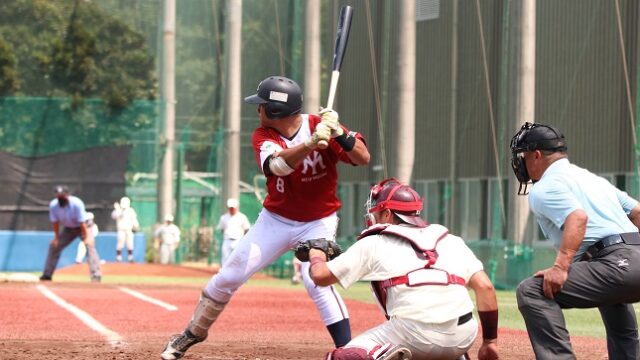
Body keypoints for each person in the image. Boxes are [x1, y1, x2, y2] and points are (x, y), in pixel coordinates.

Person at [161, 75, 370, 360]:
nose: (256, 110)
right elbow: (277, 167)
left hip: (318, 221)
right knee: (228, 276)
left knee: (316, 280)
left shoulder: (322, 125)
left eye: (261, 105)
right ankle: (193, 332)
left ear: (274, 111)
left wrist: (338, 135)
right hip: (276, 220)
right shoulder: (264, 135)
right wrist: (311, 143)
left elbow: (362, 158)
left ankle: (347, 351)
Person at [302, 178, 500, 360]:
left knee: (343, 357)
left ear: (387, 214)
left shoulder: (374, 243)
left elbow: (320, 276)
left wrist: (317, 252)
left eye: (377, 212)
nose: (373, 216)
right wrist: (490, 342)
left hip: (414, 336)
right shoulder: (451, 240)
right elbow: (486, 288)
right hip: (463, 336)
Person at [510, 122, 640, 360]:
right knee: (612, 297)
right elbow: (638, 212)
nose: (520, 162)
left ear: (536, 155)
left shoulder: (544, 187)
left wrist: (560, 267)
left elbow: (577, 218)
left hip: (614, 261)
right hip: (629, 257)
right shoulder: (592, 179)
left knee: (531, 291)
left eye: (523, 155)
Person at [40, 185, 102, 282]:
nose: (60, 199)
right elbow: (55, 223)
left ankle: (96, 275)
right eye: (58, 197)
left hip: (84, 226)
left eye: (62, 196)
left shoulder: (77, 203)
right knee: (54, 247)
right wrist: (56, 238)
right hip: (68, 228)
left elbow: (82, 223)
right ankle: (47, 275)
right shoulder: (53, 205)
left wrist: (87, 237)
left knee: (90, 246)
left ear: (67, 195)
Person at [216, 198, 251, 265]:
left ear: (236, 207)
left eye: (233, 207)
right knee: (225, 259)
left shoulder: (242, 217)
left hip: (238, 241)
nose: (232, 209)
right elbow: (221, 228)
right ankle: (225, 274)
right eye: (230, 208)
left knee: (238, 259)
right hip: (227, 240)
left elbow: (246, 228)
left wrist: (243, 239)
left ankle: (238, 274)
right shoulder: (223, 217)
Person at [111, 196, 139, 262]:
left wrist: (136, 226)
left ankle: (130, 257)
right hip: (121, 230)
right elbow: (114, 216)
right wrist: (118, 210)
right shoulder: (118, 210)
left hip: (129, 230)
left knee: (130, 244)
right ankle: (118, 257)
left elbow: (134, 219)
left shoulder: (131, 210)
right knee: (120, 243)